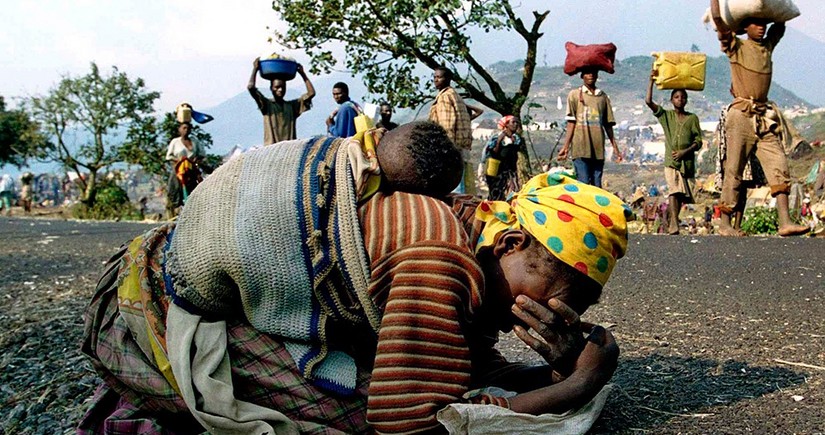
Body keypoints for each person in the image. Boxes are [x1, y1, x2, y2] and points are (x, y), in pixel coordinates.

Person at [79, 122, 629, 433]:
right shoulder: (440, 254)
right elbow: (415, 427)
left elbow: (466, 365)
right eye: (563, 295)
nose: (563, 315)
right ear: (510, 244)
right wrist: (575, 388)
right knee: (355, 417)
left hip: (181, 276)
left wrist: (556, 372)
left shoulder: (476, 233)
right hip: (153, 305)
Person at [710, 0, 809, 237]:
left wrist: (773, 7)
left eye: (764, 22)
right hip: (741, 114)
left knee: (778, 164)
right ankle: (725, 223)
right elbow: (719, 22)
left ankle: (785, 222)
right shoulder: (736, 46)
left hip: (764, 115)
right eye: (756, 22)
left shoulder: (768, 47)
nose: (761, 27)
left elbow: (781, 24)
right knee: (733, 168)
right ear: (745, 27)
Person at [645, 74, 703, 235]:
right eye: (676, 97)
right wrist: (651, 82)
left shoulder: (692, 119)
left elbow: (698, 142)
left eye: (683, 97)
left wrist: (685, 152)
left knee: (682, 195)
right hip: (671, 162)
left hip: (686, 163)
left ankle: (671, 218)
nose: (680, 100)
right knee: (674, 190)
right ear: (672, 100)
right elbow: (649, 102)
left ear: (686, 100)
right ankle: (674, 224)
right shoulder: (666, 116)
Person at [558, 68, 623, 188]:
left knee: (597, 186)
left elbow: (607, 124)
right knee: (583, 184)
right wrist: (566, 146)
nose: (591, 75)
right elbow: (571, 122)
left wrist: (615, 148)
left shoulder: (602, 97)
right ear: (582, 76)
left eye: (593, 72)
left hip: (598, 148)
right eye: (587, 73)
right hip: (580, 147)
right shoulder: (575, 95)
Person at [429, 66, 476, 195]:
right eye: (434, 77)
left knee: (452, 185)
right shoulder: (455, 96)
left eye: (439, 77)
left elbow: (447, 124)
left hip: (451, 146)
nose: (436, 80)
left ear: (448, 79)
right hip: (460, 145)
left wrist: (446, 147)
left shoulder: (444, 97)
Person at [248, 57, 316, 145]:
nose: (280, 90)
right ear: (271, 89)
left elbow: (311, 93)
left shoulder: (291, 106)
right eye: (277, 87)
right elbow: (250, 87)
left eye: (283, 87)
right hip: (271, 150)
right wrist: (255, 69)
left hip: (289, 149)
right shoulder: (267, 105)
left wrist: (303, 74)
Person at [165, 122, 205, 218]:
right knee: (174, 188)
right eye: (184, 128)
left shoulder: (195, 141)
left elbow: (202, 154)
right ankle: (176, 208)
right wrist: (179, 160)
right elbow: (169, 156)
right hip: (180, 170)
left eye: (188, 128)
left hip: (191, 169)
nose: (186, 130)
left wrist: (195, 160)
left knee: (197, 188)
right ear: (180, 130)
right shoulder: (175, 142)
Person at [484, 115, 524, 201]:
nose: (516, 124)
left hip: (510, 171)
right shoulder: (497, 137)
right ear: (506, 125)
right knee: (496, 192)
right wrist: (499, 141)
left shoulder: (516, 138)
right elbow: (492, 151)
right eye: (513, 122)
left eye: (517, 122)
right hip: (497, 171)